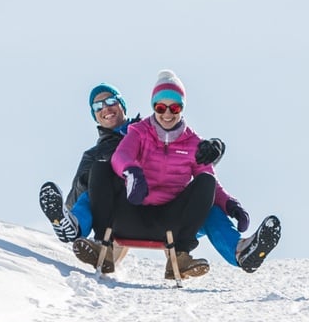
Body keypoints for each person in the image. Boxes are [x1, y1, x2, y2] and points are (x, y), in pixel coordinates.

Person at [99, 70, 283, 278]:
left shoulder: (194, 143)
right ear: (153, 107)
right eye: (160, 107)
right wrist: (131, 171)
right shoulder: (139, 132)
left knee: (207, 187)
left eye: (174, 107)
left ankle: (241, 252)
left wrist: (230, 204)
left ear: (182, 108)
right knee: (102, 171)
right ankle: (99, 242)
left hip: (171, 220)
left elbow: (211, 181)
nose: (167, 114)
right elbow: (121, 156)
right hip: (135, 211)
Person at [37, 83, 235, 273]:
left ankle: (241, 252)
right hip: (117, 218)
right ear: (94, 115)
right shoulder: (94, 155)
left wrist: (216, 147)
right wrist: (85, 192)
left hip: (168, 210)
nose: (106, 108)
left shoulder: (148, 129)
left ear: (122, 104)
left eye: (111, 101)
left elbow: (188, 159)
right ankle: (74, 226)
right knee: (96, 181)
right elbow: (81, 193)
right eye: (98, 106)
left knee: (211, 209)